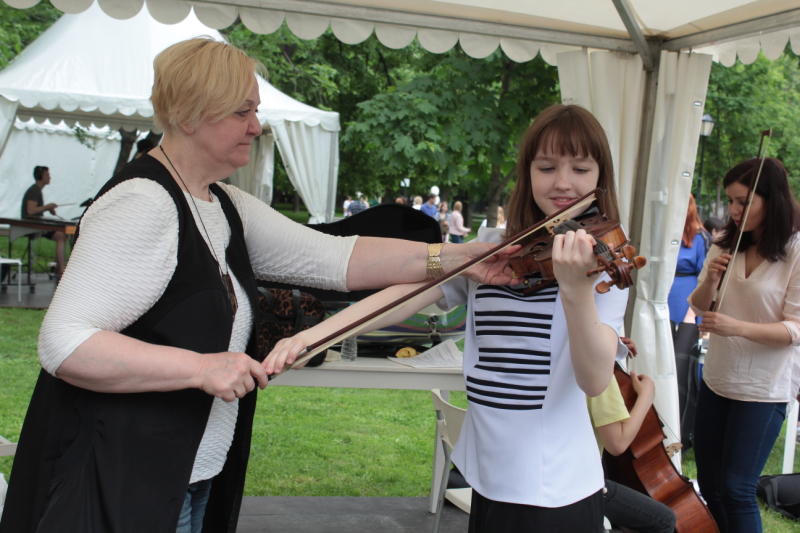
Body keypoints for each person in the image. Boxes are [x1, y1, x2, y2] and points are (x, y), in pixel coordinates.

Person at [0, 38, 519, 533]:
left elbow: (339, 259)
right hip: (122, 477)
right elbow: (64, 343)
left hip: (186, 474)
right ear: (187, 114)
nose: (257, 126)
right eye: (241, 112)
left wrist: (463, 257)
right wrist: (201, 367)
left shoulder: (219, 201)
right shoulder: (142, 203)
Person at [265, 104, 630, 533]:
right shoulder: (495, 247)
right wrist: (317, 334)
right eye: (546, 167)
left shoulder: (602, 264)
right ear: (527, 173)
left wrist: (575, 292)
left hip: (555, 492)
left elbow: (594, 380)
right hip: (490, 483)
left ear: (599, 179)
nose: (563, 183)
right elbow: (409, 292)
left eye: (581, 169)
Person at [689, 157, 800, 533]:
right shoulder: (724, 243)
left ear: (772, 201)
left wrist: (735, 326)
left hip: (763, 388)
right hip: (718, 379)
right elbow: (699, 305)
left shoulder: (796, 249)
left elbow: (795, 329)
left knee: (737, 488)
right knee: (710, 484)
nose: (733, 211)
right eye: (731, 201)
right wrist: (709, 282)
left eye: (743, 202)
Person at [588, 342, 676, 533]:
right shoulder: (596, 363)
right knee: (663, 521)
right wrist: (646, 396)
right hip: (581, 483)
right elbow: (617, 443)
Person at [20, 165, 67, 279]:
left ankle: (59, 268)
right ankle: (60, 270)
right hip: (31, 226)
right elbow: (30, 211)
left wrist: (47, 208)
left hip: (35, 224)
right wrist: (47, 207)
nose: (50, 177)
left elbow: (35, 209)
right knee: (61, 235)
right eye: (47, 175)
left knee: (62, 235)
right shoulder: (34, 190)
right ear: (41, 176)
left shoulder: (37, 190)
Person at [668, 194, 707, 324]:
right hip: (663, 290)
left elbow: (704, 275)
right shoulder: (665, 232)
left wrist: (692, 311)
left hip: (685, 295)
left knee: (682, 339)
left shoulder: (699, 237)